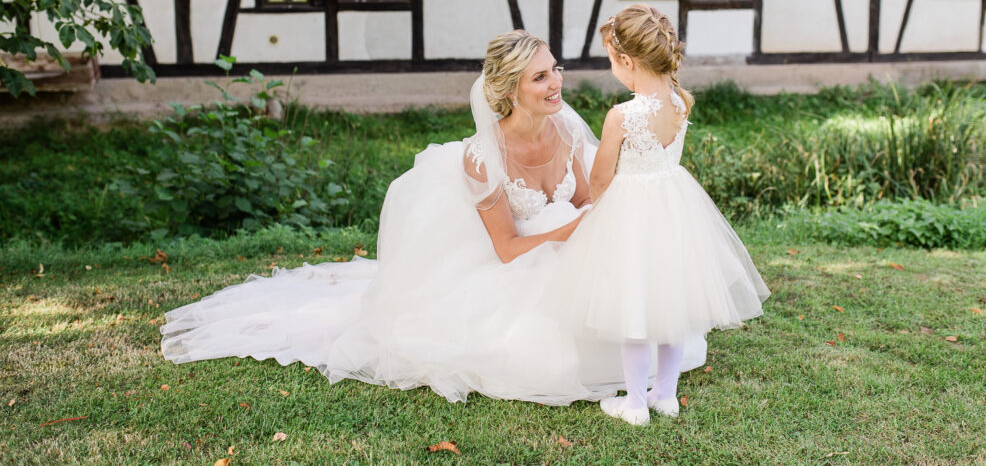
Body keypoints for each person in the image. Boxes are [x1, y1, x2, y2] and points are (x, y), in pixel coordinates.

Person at [161, 30, 705, 404]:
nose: (556, 82)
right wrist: (575, 231)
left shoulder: (567, 127)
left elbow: (590, 199)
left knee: (636, 317)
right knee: (541, 353)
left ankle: (648, 387)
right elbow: (508, 249)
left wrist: (605, 235)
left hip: (573, 247)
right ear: (510, 89)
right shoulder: (481, 157)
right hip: (519, 265)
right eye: (540, 77)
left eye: (555, 69)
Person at [552, 5, 771, 425]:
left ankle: (634, 403)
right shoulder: (680, 101)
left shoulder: (622, 116)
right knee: (671, 301)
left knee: (634, 304)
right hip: (675, 209)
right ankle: (665, 395)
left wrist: (599, 209)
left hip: (632, 214)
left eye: (611, 60)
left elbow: (600, 180)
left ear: (628, 62)